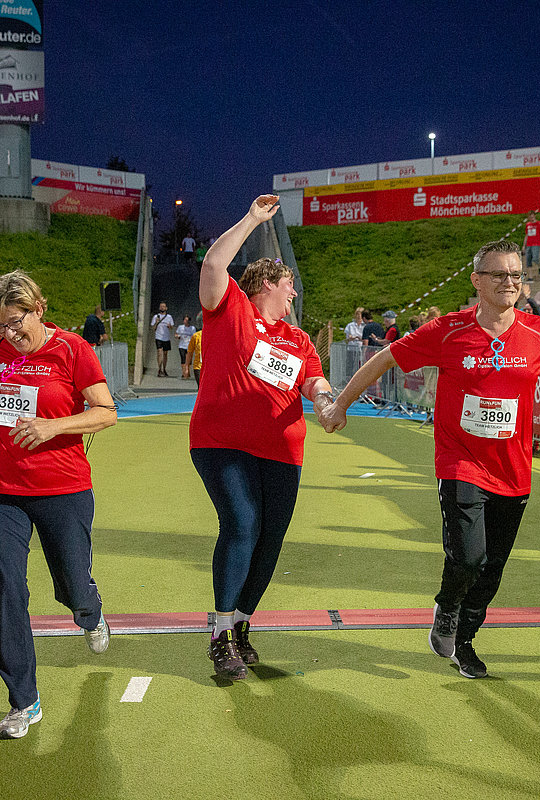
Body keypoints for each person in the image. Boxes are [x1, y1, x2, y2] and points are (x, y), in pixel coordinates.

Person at [320, 238, 540, 679]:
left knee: (492, 568)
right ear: (477, 281)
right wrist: (339, 405)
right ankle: (447, 607)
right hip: (459, 462)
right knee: (469, 557)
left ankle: (466, 639)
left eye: (516, 274)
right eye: (499, 274)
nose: (509, 282)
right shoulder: (448, 330)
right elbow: (385, 359)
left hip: (513, 471)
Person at [190, 195, 335, 681]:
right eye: (289, 284)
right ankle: (220, 634)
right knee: (242, 522)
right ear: (268, 283)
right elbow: (214, 263)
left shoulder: (298, 338)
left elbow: (314, 381)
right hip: (221, 442)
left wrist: (325, 403)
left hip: (282, 448)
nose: (294, 293)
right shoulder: (229, 307)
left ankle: (241, 623)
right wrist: (252, 219)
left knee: (270, 538)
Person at [0, 270, 118, 739]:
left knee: (72, 582)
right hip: (0, 488)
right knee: (9, 588)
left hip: (62, 487)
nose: (8, 334)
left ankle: (89, 612)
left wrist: (52, 426)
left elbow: (106, 413)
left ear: (39, 309)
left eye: (15, 322)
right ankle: (23, 701)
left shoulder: (73, 349)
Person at [151, 301, 174, 377]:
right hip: (158, 337)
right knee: (159, 352)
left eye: (163, 306)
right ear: (159, 308)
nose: (162, 308)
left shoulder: (169, 317)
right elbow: (153, 328)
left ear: (166, 308)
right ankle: (159, 369)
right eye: (161, 306)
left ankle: (164, 369)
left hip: (166, 338)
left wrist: (169, 326)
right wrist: (156, 322)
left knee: (165, 353)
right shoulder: (156, 317)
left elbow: (172, 327)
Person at [176, 315, 196, 380]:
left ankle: (187, 371)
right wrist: (177, 336)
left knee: (188, 360)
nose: (186, 321)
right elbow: (176, 334)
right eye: (185, 320)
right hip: (182, 345)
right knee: (183, 359)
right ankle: (184, 373)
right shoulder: (180, 327)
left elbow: (194, 336)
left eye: (187, 320)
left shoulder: (192, 328)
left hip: (189, 346)